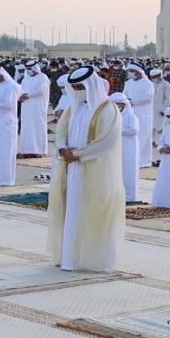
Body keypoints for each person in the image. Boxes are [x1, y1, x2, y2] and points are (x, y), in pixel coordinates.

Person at [47, 66, 123, 271]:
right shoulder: (73, 109)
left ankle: (95, 260)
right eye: (75, 87)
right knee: (72, 212)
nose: (78, 91)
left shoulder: (108, 109)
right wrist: (63, 149)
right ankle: (70, 258)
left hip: (95, 170)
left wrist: (78, 154)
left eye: (81, 86)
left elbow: (107, 141)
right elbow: (61, 132)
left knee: (95, 212)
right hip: (72, 170)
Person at [112, 92, 142, 203]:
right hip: (114, 148)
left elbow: (134, 130)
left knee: (129, 171)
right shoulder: (111, 116)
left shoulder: (131, 116)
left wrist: (118, 130)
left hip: (129, 148)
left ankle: (130, 197)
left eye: (119, 104)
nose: (117, 107)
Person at [18, 62, 51, 158]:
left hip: (37, 107)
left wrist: (27, 95)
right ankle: (27, 150)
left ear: (35, 68)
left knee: (37, 126)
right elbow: (21, 89)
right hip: (26, 107)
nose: (28, 70)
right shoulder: (26, 78)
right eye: (27, 68)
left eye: (30, 68)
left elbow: (40, 91)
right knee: (26, 127)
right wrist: (19, 96)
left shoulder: (43, 77)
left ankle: (39, 150)